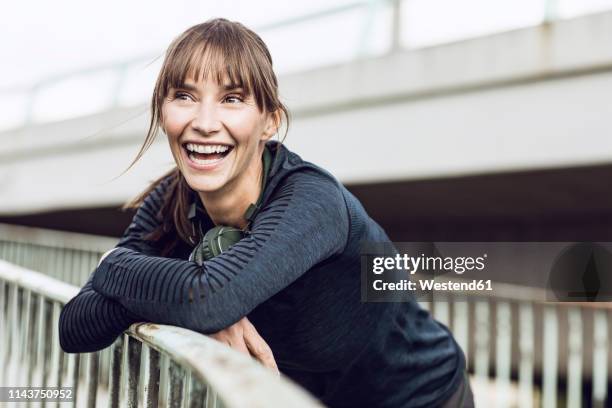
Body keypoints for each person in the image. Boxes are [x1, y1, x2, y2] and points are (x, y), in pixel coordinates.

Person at [59, 18, 474, 407]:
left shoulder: (312, 201)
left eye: (232, 99)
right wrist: (180, 301)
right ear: (162, 111)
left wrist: (117, 267)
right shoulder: (173, 199)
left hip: (422, 397)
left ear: (269, 121)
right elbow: (75, 326)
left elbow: (207, 299)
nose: (204, 122)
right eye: (184, 96)